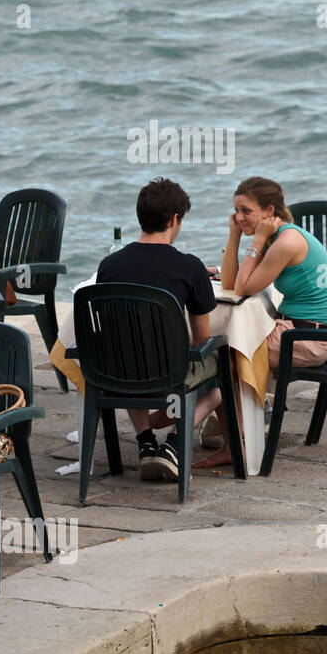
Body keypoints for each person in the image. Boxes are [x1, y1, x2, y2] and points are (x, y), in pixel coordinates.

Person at [195, 176, 327, 468]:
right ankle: (232, 433)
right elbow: (234, 281)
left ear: (269, 211)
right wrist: (234, 236)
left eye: (246, 211)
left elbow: (243, 289)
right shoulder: (280, 237)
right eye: (236, 211)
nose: (239, 217)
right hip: (297, 330)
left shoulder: (285, 242)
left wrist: (256, 241)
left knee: (231, 352)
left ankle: (234, 436)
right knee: (231, 347)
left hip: (308, 339)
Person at [96, 178, 222, 482]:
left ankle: (145, 441)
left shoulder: (108, 265)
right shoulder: (190, 267)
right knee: (223, 376)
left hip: (115, 373)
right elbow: (202, 338)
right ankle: (175, 445)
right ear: (174, 219)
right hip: (169, 375)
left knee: (129, 356)